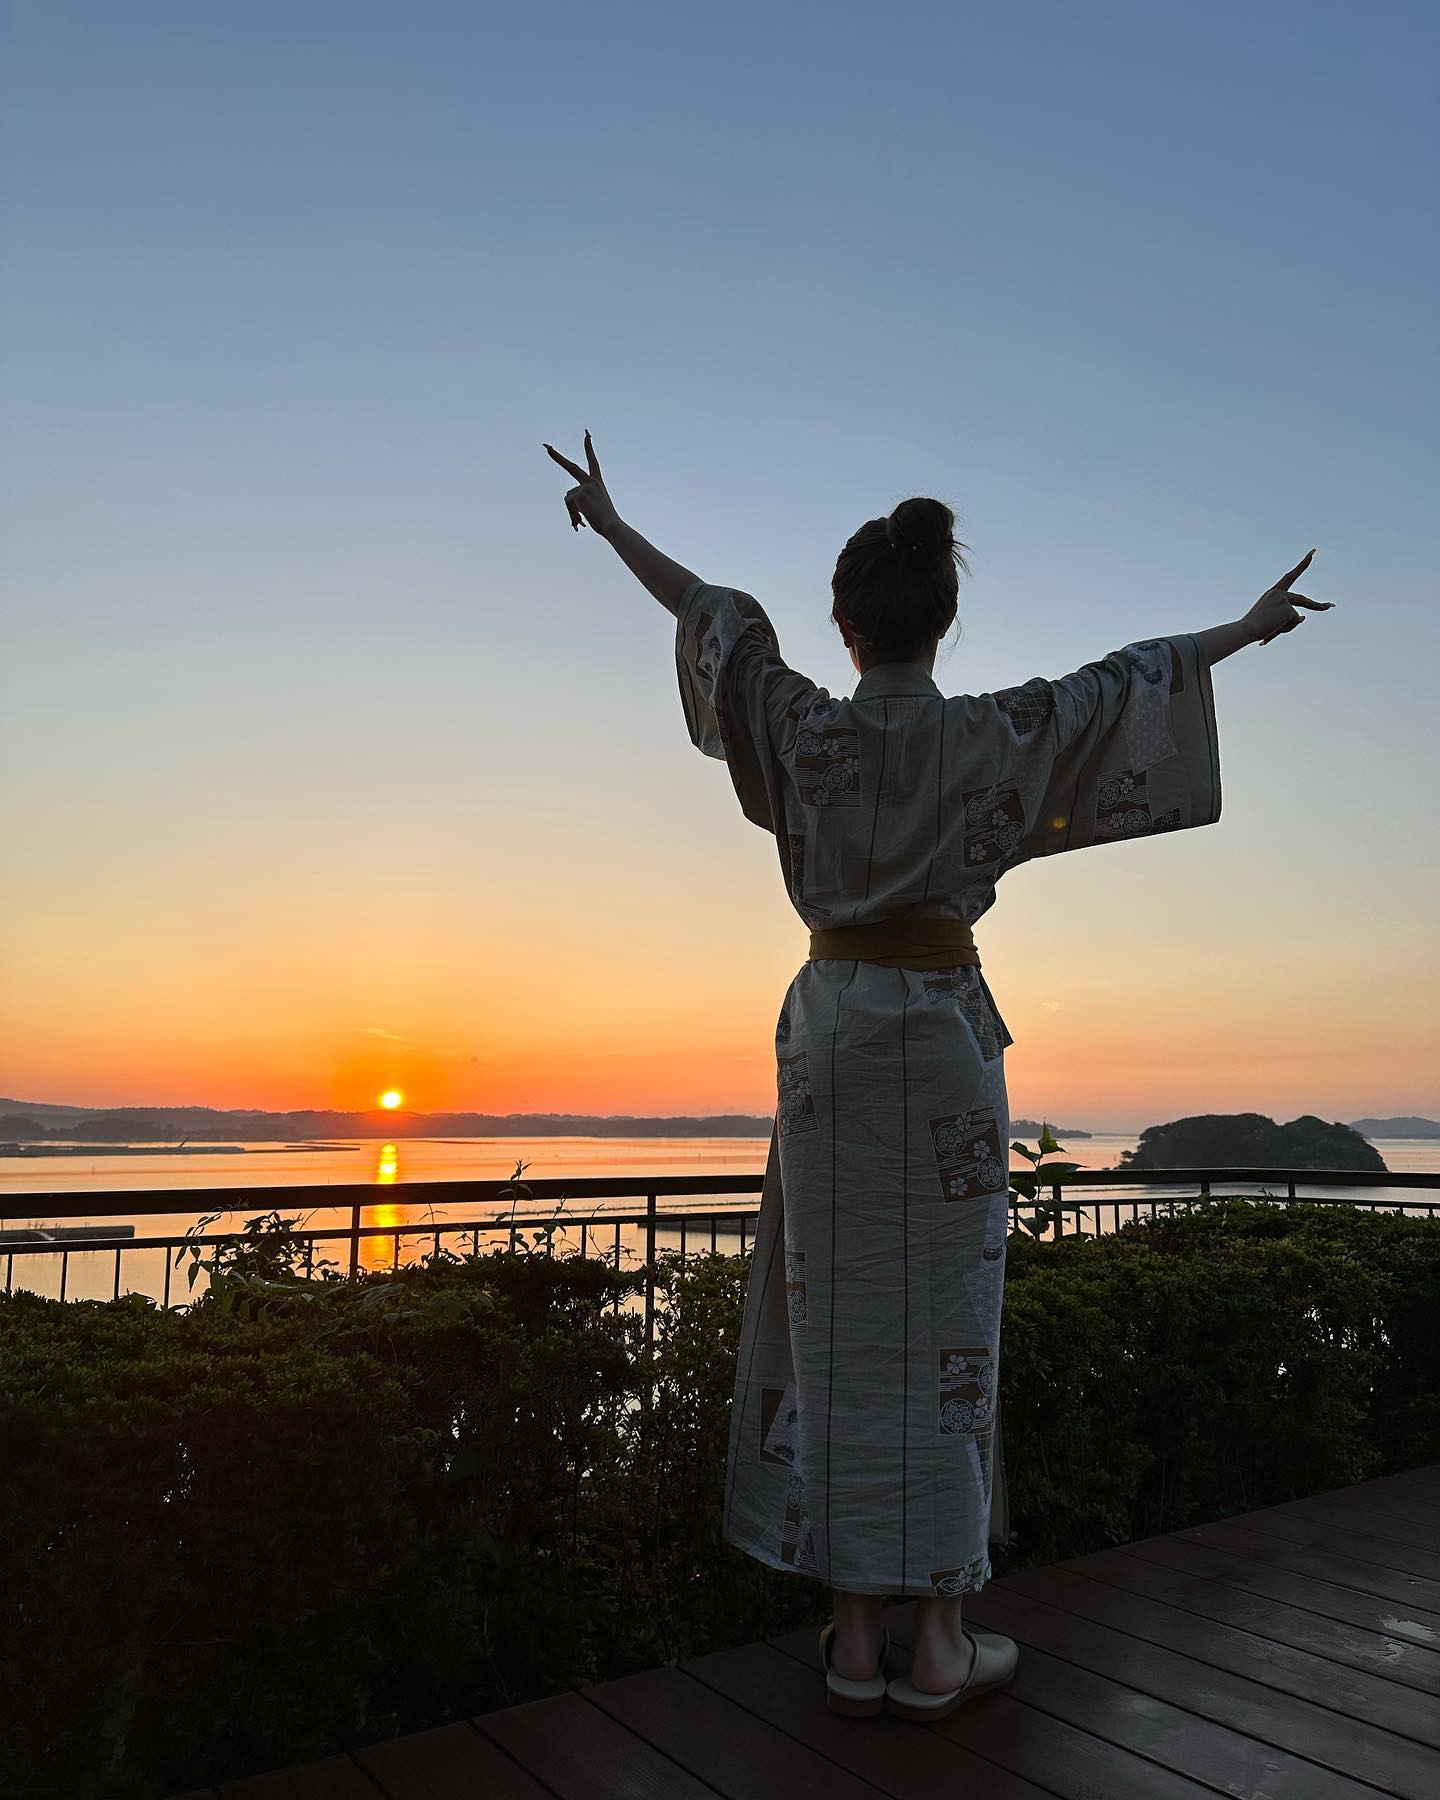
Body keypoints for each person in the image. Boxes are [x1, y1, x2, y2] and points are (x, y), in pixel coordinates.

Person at [543, 431, 1333, 1718]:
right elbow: (1126, 681)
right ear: (942, 622)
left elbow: (713, 617)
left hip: (831, 1041)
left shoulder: (805, 729)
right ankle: (943, 1644)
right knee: (948, 1329)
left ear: (846, 625)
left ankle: (856, 1639)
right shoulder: (994, 733)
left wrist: (616, 522)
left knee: (834, 1324)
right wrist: (1245, 629)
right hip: (944, 1042)